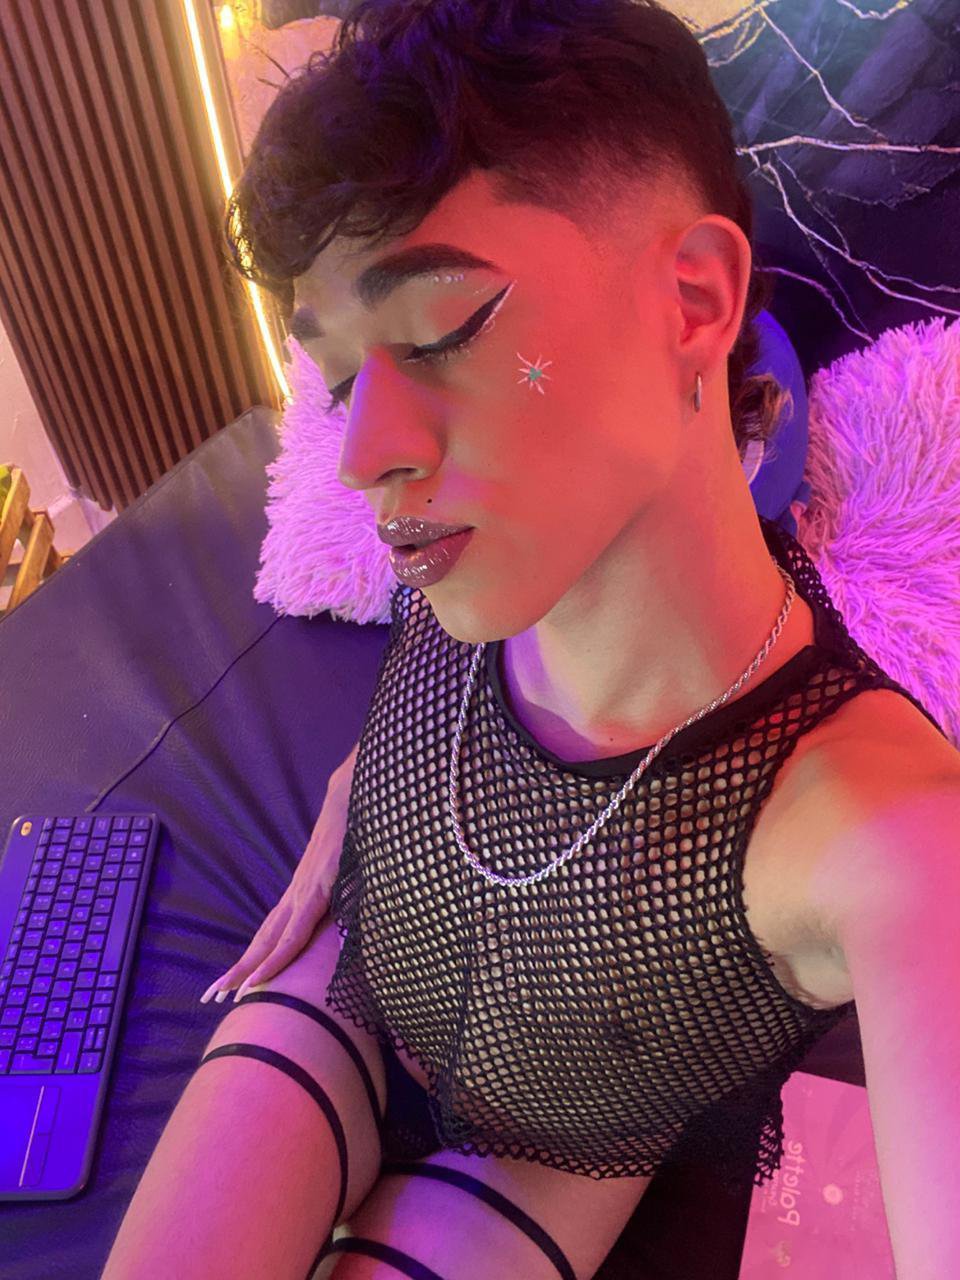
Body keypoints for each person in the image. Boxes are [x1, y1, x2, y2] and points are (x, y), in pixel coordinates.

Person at [103, 3, 960, 1279]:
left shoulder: (878, 830)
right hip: (355, 981)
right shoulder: (481, 543)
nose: (364, 454)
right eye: (342, 379)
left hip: (562, 1145)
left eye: (440, 333)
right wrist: (367, 782)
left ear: (691, 298)